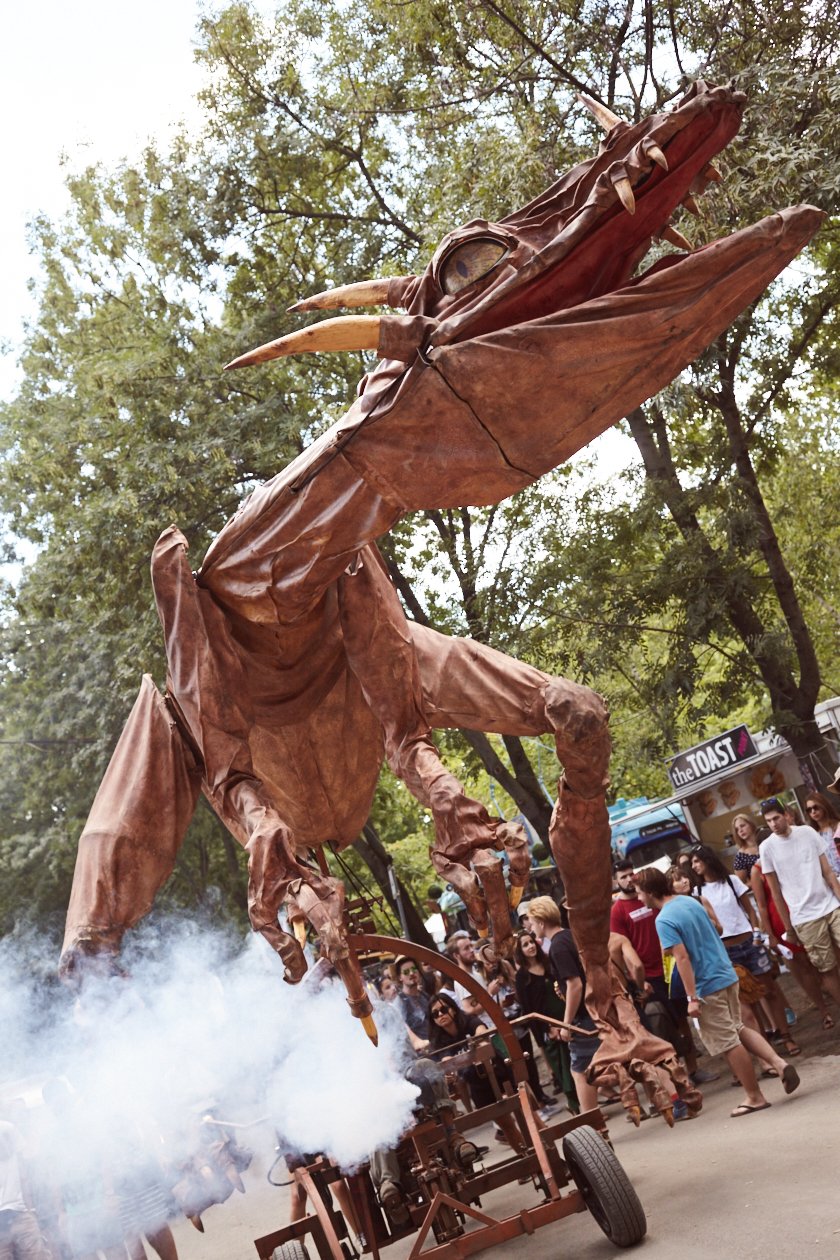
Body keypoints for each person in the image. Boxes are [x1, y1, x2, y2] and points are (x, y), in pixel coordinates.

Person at [635, 866, 800, 1118]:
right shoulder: (690, 902)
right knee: (739, 1028)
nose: (638, 897)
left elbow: (682, 958)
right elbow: (716, 930)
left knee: (728, 1041)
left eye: (639, 892)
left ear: (648, 891)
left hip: (705, 985)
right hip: (725, 973)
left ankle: (755, 1097)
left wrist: (691, 997)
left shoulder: (664, 919)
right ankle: (779, 1063)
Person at [689, 844, 798, 1054]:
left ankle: (786, 1036)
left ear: (707, 859)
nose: (694, 866)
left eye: (696, 861)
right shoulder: (697, 892)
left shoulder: (732, 881)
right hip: (725, 950)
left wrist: (757, 932)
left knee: (769, 990)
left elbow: (749, 909)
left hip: (749, 941)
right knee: (746, 1000)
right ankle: (765, 1044)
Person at [759, 796, 840, 1007]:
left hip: (830, 905)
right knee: (826, 968)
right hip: (804, 916)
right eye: (768, 821)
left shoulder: (807, 832)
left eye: (776, 818)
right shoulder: (767, 848)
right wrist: (789, 928)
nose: (773, 824)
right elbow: (775, 893)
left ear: (786, 814)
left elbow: (828, 872)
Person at [525, 896, 600, 1113]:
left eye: (530, 920)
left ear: (540, 921)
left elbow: (574, 984)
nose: (530, 926)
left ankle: (592, 1122)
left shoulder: (557, 946)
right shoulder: (569, 936)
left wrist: (566, 1023)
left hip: (584, 1016)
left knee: (579, 1071)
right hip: (593, 1010)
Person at [426, 994, 525, 1153]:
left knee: (527, 1113)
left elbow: (481, 1032)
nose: (440, 1015)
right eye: (435, 1014)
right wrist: (451, 1065)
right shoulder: (437, 1042)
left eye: (444, 1009)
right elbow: (445, 1060)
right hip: (477, 1084)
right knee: (506, 1125)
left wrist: (480, 1042)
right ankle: (527, 1159)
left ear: (453, 1008)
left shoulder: (469, 1021)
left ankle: (548, 1152)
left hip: (499, 1073)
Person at [514, 931, 579, 1113]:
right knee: (564, 1068)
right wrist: (547, 1028)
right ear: (520, 951)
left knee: (578, 1063)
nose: (530, 946)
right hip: (548, 1029)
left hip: (567, 1019)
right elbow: (529, 1010)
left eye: (531, 942)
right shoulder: (522, 977)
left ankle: (584, 1102)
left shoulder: (549, 963)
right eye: (525, 945)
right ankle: (575, 1105)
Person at [0, 1120, 51, 1260]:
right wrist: (31, 1209)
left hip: (18, 1213)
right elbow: (24, 1174)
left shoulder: (7, 1127)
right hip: (19, 1212)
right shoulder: (7, 1127)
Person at [393, 956, 431, 1045]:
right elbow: (401, 1029)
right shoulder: (399, 1002)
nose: (411, 973)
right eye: (406, 972)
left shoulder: (424, 995)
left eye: (414, 969)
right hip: (422, 1053)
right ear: (400, 977)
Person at [804, 793, 840, 874]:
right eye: (809, 810)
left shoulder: (838, 827)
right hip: (832, 881)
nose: (813, 811)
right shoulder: (812, 834)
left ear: (823, 805)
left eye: (815, 807)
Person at [731, 814, 762, 884]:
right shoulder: (740, 856)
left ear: (751, 824)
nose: (740, 830)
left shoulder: (765, 842)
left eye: (742, 826)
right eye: (737, 829)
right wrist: (759, 879)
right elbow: (741, 886)